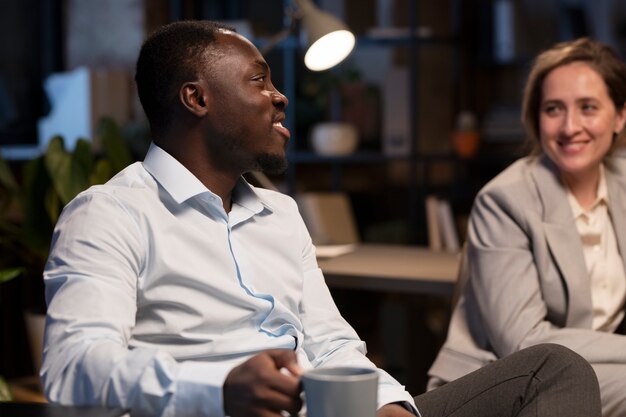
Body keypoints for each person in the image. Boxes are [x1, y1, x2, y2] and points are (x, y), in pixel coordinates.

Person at [41, 21, 602, 417]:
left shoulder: (281, 213)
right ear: (197, 98)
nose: (280, 97)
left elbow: (332, 344)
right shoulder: (109, 214)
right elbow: (73, 367)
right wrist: (219, 390)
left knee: (553, 369)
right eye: (258, 80)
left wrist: (387, 408)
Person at [428, 37, 626, 416]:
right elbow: (525, 342)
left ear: (619, 116)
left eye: (588, 107)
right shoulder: (505, 200)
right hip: (503, 380)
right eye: (554, 109)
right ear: (536, 117)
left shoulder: (622, 182)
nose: (570, 126)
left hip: (593, 368)